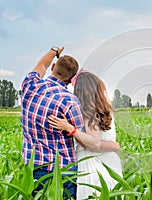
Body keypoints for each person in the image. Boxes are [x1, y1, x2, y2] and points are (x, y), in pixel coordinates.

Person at [48, 71, 123, 199]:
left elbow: (94, 143)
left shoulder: (89, 112)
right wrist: (114, 146)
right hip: (111, 165)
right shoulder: (105, 110)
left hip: (93, 168)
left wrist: (70, 128)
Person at [21, 46, 84, 198]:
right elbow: (81, 133)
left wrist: (54, 51)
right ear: (71, 79)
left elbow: (42, 65)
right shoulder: (70, 101)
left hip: (34, 168)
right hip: (63, 170)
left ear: (54, 67)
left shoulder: (30, 84)